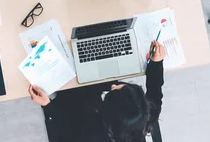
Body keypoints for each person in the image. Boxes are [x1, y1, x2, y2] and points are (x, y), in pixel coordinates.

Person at [28, 41, 166, 142]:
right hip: (95, 87)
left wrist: (47, 105)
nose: (114, 86)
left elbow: (64, 124)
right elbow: (155, 94)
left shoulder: (89, 135)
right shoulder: (144, 115)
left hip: (76, 101)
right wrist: (156, 63)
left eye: (114, 91)